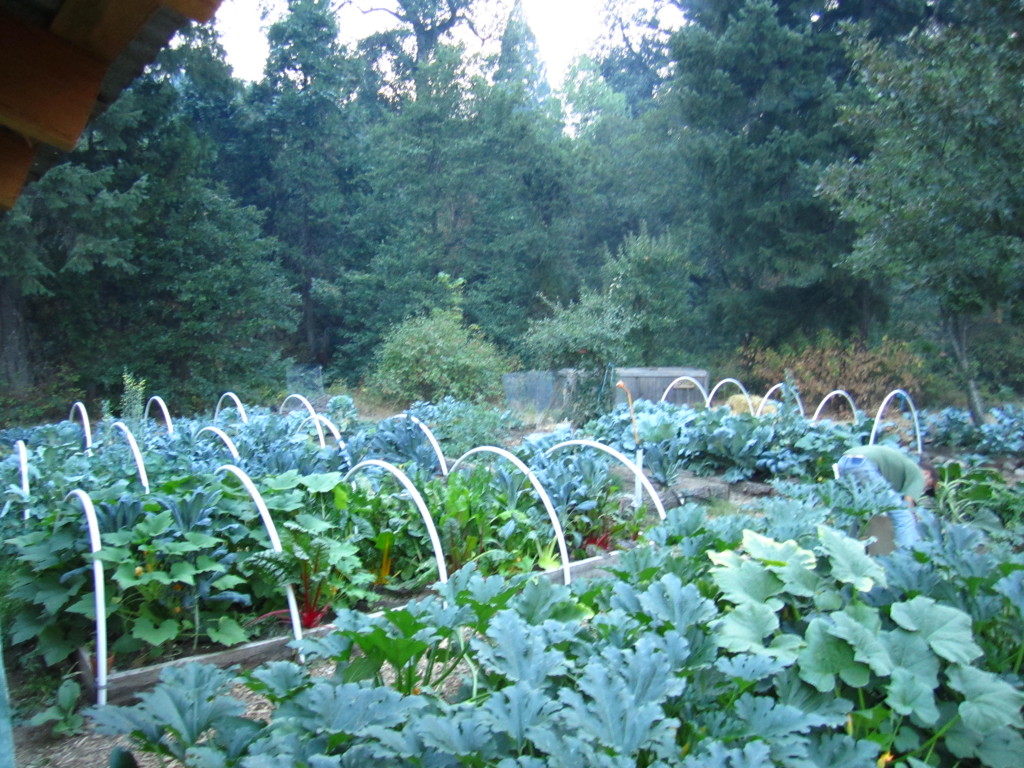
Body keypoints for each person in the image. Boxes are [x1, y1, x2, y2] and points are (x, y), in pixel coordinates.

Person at [834, 445, 936, 549]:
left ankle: (844, 550)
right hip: (864, 464)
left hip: (844, 461)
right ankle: (908, 556)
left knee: (850, 513)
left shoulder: (902, 471)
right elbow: (907, 504)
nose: (924, 490)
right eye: (928, 486)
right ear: (927, 474)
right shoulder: (918, 474)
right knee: (903, 516)